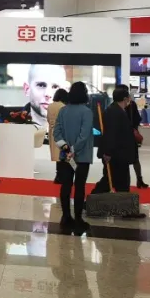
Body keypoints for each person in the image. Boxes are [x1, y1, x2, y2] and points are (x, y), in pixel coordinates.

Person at [52, 82, 93, 232]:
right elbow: (84, 135)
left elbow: (56, 132)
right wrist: (74, 150)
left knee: (66, 185)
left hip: (65, 155)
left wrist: (66, 148)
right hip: (82, 156)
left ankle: (66, 216)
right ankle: (78, 219)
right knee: (80, 186)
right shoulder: (87, 112)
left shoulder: (63, 111)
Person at [93, 87, 135, 194]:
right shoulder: (114, 112)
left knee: (112, 180)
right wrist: (108, 152)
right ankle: (94, 199)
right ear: (125, 98)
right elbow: (111, 134)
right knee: (113, 180)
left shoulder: (116, 110)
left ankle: (120, 201)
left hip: (118, 153)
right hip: (116, 154)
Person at [23, 64, 69, 131]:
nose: (48, 94)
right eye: (41, 85)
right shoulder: (10, 125)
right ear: (27, 89)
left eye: (55, 87)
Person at [124, 88, 149, 189]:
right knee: (135, 159)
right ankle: (139, 180)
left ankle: (125, 182)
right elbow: (138, 119)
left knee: (125, 160)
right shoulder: (132, 105)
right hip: (132, 135)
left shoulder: (117, 106)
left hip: (124, 135)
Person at [46, 88, 69, 173]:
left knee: (56, 155)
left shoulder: (50, 106)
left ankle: (58, 173)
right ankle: (61, 174)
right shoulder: (64, 106)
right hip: (61, 133)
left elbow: (48, 119)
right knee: (63, 154)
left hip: (52, 132)